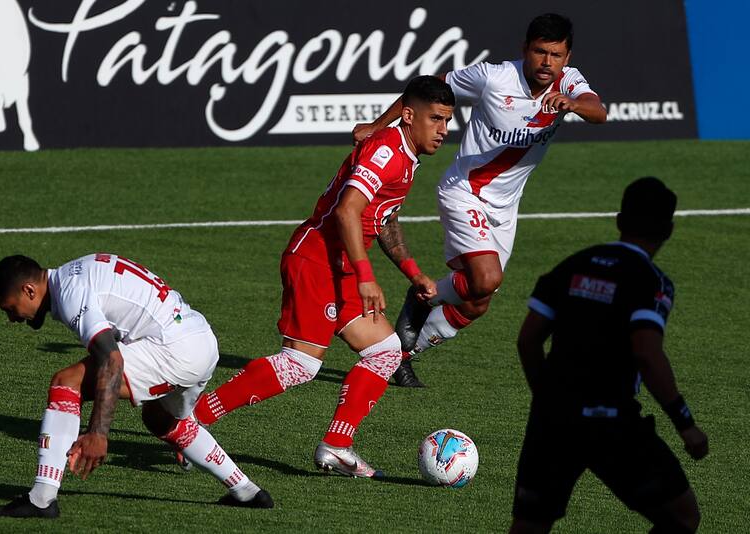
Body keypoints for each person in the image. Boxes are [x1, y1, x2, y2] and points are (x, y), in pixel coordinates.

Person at [192, 75, 455, 477]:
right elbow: (348, 210)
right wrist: (366, 276)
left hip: (341, 267)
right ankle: (194, 420)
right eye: (435, 119)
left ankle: (337, 444)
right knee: (300, 364)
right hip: (315, 261)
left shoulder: (404, 154)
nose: (443, 130)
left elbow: (382, 219)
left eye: (447, 120)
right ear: (408, 116)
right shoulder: (387, 151)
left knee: (385, 351)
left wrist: (412, 271)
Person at [354, 13, 607, 387]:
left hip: (506, 207)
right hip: (464, 192)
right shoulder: (494, 77)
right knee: (487, 278)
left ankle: (402, 355)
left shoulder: (569, 82)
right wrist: (378, 126)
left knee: (477, 301)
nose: (547, 62)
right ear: (525, 49)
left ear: (567, 58)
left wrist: (571, 103)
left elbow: (598, 111)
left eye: (556, 55)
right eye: (540, 52)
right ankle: (424, 297)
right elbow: (426, 90)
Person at [0, 253, 273, 518]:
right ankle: (247, 491)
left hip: (174, 349)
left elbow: (112, 360)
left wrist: (98, 433)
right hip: (200, 339)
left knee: (67, 382)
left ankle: (41, 499)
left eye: (10, 308)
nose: (12, 318)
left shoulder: (70, 292)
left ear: (29, 290)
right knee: (160, 419)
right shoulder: (75, 271)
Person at [510, 177, 709, 533]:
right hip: (611, 422)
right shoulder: (651, 281)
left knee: (530, 525)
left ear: (619, 220)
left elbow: (528, 340)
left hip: (553, 419)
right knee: (682, 517)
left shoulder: (573, 265)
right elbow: (647, 353)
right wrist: (685, 423)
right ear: (668, 230)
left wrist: (547, 399)